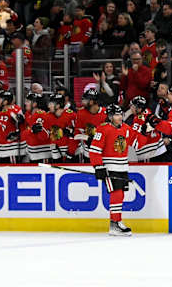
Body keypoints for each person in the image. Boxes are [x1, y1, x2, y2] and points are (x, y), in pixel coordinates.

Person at [89, 103, 146, 236]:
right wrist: (98, 166)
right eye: (116, 115)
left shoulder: (126, 128)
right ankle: (115, 223)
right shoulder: (103, 129)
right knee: (116, 193)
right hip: (109, 167)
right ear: (110, 117)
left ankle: (117, 222)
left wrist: (145, 131)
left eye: (120, 114)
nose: (119, 117)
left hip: (122, 166)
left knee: (120, 194)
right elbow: (94, 151)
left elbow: (138, 143)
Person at [75, 89, 107, 162]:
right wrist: (87, 139)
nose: (83, 102)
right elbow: (77, 133)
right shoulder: (81, 113)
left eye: (86, 100)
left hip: (103, 151)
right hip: (88, 152)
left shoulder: (106, 113)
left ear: (92, 101)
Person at [43, 93, 77, 162]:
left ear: (58, 105)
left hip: (72, 152)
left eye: (51, 104)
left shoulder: (71, 115)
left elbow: (75, 136)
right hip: (56, 153)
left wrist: (70, 152)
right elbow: (45, 135)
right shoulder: (47, 116)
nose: (48, 106)